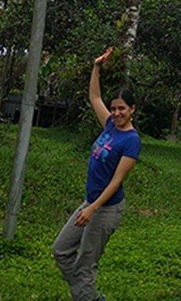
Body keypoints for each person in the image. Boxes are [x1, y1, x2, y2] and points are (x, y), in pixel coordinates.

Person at [53, 47, 141, 301]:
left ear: (132, 109)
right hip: (90, 203)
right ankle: (89, 296)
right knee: (61, 250)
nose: (116, 113)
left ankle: (85, 295)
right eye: (114, 109)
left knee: (85, 264)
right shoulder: (110, 126)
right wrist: (96, 66)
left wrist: (93, 209)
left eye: (122, 109)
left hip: (106, 209)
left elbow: (116, 181)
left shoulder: (131, 141)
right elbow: (94, 97)